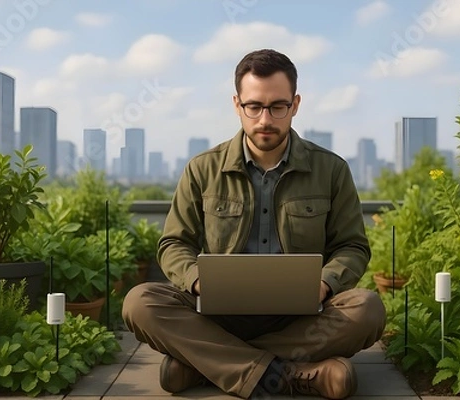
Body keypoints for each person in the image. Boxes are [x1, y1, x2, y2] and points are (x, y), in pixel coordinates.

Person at [122, 48, 386, 399]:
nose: (265, 119)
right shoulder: (202, 169)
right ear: (237, 104)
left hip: (302, 316)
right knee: (140, 302)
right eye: (254, 107)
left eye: (278, 106)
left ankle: (205, 364)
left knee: (367, 309)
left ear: (295, 104)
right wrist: (197, 281)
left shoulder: (331, 169)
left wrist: (325, 283)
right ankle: (289, 373)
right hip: (217, 315)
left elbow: (352, 246)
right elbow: (173, 244)